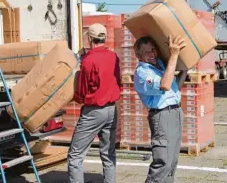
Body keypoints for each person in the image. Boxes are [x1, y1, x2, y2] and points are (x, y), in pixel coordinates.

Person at [68, 23, 121, 183]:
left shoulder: (88, 61)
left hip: (93, 111)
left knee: (76, 155)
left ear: (90, 39)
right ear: (104, 38)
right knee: (108, 152)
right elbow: (118, 81)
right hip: (111, 109)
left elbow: (82, 92)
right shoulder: (113, 57)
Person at [133, 35, 188, 183]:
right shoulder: (142, 73)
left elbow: (173, 88)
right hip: (162, 117)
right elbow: (164, 85)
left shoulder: (160, 66)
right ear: (138, 56)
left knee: (171, 163)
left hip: (175, 112)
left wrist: (184, 70)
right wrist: (174, 54)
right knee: (162, 163)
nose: (152, 54)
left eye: (153, 49)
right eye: (147, 52)